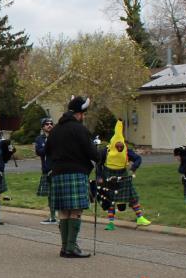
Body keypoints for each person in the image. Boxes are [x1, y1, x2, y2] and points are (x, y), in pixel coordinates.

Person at [45, 96, 99, 259]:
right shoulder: (79, 129)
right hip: (76, 172)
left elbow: (47, 151)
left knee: (63, 211)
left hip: (57, 173)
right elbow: (92, 153)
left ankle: (65, 247)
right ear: (79, 113)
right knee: (75, 210)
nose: (84, 117)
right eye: (83, 113)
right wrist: (101, 155)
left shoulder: (55, 130)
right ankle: (71, 247)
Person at [96, 120, 152, 231]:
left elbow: (138, 158)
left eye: (121, 146)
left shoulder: (127, 151)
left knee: (132, 197)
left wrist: (134, 167)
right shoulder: (106, 151)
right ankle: (111, 223)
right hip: (109, 175)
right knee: (110, 199)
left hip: (123, 175)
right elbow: (98, 164)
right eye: (117, 146)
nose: (119, 148)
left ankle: (140, 218)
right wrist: (99, 177)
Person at [34, 117, 57, 224]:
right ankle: (52, 216)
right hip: (46, 170)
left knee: (57, 194)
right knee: (50, 195)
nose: (49, 125)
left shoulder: (58, 137)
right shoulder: (39, 139)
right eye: (47, 124)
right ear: (43, 127)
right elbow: (39, 152)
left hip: (57, 169)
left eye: (51, 123)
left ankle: (61, 217)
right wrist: (48, 145)